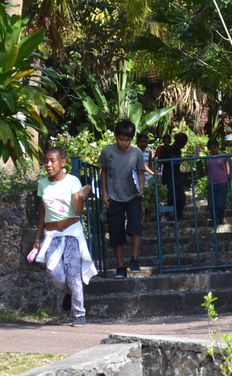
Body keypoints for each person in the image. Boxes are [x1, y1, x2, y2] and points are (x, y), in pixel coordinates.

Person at [27, 147, 96, 327]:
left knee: (73, 273)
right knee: (53, 272)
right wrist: (37, 238)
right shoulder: (42, 184)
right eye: (46, 161)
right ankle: (69, 292)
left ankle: (79, 314)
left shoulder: (73, 181)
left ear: (62, 162)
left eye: (52, 160)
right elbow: (42, 212)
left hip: (71, 232)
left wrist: (80, 196)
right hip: (52, 234)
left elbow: (78, 210)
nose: (48, 164)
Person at [99, 118, 145, 278]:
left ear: (131, 139)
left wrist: (141, 187)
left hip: (133, 196)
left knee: (136, 228)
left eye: (127, 140)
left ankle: (134, 259)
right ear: (116, 137)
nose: (124, 143)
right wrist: (104, 192)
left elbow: (140, 172)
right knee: (116, 233)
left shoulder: (137, 153)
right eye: (121, 139)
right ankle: (120, 266)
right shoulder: (107, 152)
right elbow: (103, 172)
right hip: (114, 197)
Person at [156, 131, 187, 220]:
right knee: (171, 197)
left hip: (177, 177)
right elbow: (160, 162)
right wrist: (158, 175)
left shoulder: (179, 152)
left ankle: (178, 215)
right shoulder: (166, 149)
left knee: (181, 198)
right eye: (183, 143)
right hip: (168, 177)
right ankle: (168, 214)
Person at [201, 136, 230, 228]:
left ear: (218, 147)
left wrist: (226, 177)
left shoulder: (223, 157)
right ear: (209, 148)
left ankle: (221, 217)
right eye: (211, 147)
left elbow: (227, 170)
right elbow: (206, 170)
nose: (213, 149)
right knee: (212, 205)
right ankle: (214, 220)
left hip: (222, 182)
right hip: (211, 183)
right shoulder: (207, 158)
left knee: (221, 204)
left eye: (215, 147)